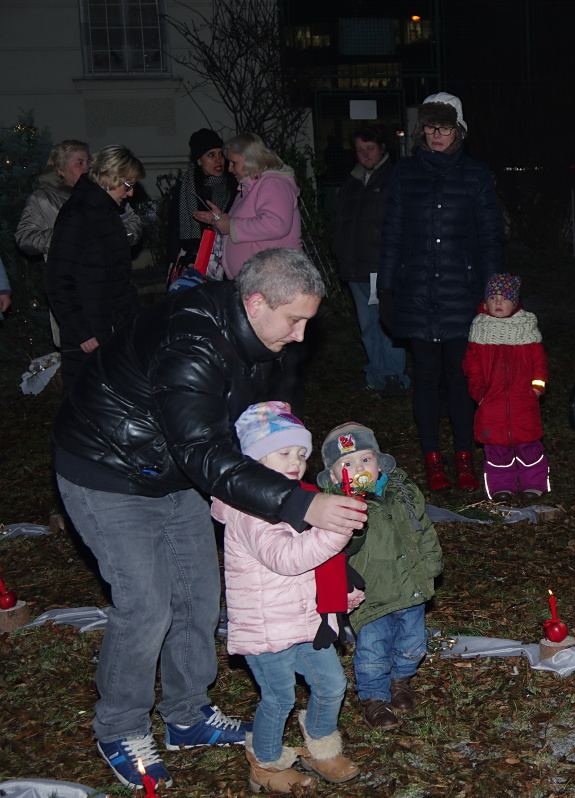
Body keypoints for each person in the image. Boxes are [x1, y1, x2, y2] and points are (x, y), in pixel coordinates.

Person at [52, 248, 367, 789]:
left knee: (199, 595)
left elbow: (247, 428)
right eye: (294, 321)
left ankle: (187, 713)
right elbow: (202, 448)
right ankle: (120, 727)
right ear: (256, 302)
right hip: (106, 466)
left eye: (307, 323)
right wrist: (299, 504)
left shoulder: (258, 339)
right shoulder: (193, 342)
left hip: (172, 468)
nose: (300, 336)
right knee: (146, 604)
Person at [220, 401, 361, 793]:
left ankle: (320, 744)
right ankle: (265, 763)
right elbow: (287, 558)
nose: (296, 462)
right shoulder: (249, 511)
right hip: (266, 631)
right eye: (284, 452)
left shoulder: (295, 500)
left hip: (304, 621)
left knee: (331, 684)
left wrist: (341, 590)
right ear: (253, 460)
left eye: (301, 453)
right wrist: (336, 530)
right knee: (279, 698)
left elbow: (317, 565)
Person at [377, 92, 504, 492]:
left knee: (461, 379)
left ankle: (464, 455)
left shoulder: (476, 175)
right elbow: (392, 234)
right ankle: (432, 457)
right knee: (426, 378)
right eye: (430, 127)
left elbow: (490, 238)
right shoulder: (404, 174)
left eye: (444, 127)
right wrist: (386, 288)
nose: (436, 134)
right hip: (416, 291)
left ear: (458, 130)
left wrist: (494, 292)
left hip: (461, 293)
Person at [318, 423, 443, 730]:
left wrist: (430, 563)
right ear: (333, 476)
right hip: (371, 592)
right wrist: (353, 517)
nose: (359, 469)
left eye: (365, 459)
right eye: (347, 464)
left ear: (379, 462)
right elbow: (339, 550)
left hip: (410, 584)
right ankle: (374, 697)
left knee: (413, 642)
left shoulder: (402, 492)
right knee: (373, 648)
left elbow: (423, 528)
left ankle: (400, 680)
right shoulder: (335, 507)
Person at [44, 144, 145, 388]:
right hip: (90, 337)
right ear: (111, 177)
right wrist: (83, 332)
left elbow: (115, 275)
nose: (130, 193)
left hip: (110, 328)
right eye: (127, 185)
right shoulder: (78, 214)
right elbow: (57, 279)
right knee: (87, 400)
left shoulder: (104, 211)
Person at [332, 125, 408, 394]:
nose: (364, 154)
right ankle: (375, 373)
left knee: (386, 322)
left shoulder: (394, 179)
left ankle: (394, 375)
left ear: (382, 148)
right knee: (367, 325)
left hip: (380, 267)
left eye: (370, 148)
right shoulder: (352, 181)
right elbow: (341, 222)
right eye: (359, 150)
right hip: (355, 268)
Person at [463, 273, 550, 501]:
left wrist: (536, 388)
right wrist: (480, 394)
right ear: (485, 303)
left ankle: (534, 483)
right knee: (496, 451)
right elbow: (472, 368)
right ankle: (501, 486)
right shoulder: (479, 332)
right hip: (492, 405)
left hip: (523, 404)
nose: (498, 302)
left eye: (504, 298)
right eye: (493, 298)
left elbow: (539, 363)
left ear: (515, 302)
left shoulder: (527, 331)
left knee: (529, 448)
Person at [192, 132, 301, 279]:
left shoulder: (273, 183)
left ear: (250, 159)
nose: (229, 169)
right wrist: (218, 220)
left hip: (274, 279)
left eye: (234, 163)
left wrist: (231, 226)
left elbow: (276, 224)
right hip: (258, 279)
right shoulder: (248, 187)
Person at [16, 140, 142, 261]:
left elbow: (133, 223)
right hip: (67, 269)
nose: (86, 168)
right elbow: (25, 238)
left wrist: (115, 235)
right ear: (60, 169)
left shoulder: (105, 191)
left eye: (88, 162)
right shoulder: (42, 198)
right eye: (80, 163)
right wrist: (69, 237)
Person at [164, 128, 238, 267]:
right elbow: (174, 231)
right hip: (193, 258)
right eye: (211, 155)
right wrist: (173, 263)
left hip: (227, 256)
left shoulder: (233, 185)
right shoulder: (186, 187)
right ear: (199, 161)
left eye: (221, 154)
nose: (218, 160)